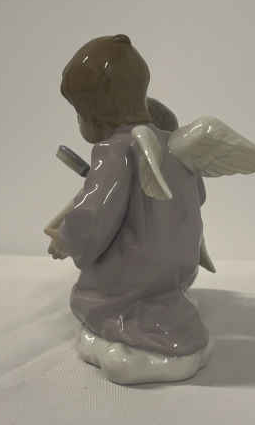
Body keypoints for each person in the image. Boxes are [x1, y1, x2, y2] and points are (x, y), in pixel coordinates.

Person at [48, 34, 211, 384]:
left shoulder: (115, 150)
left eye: (79, 112)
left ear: (94, 113)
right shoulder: (174, 142)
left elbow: (92, 216)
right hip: (180, 269)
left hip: (136, 278)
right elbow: (197, 197)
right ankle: (169, 305)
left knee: (88, 297)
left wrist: (67, 240)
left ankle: (132, 321)